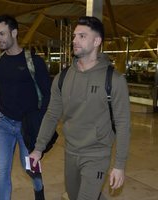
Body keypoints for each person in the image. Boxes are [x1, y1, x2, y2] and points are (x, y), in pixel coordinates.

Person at [30, 16, 131, 200]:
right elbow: (52, 115)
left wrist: (119, 165)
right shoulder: (63, 78)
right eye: (75, 36)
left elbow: (123, 124)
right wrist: (39, 148)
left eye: (82, 36)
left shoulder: (114, 80)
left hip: (97, 154)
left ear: (97, 41)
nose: (75, 40)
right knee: (75, 195)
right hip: (70, 152)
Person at [0, 14, 51, 200]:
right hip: (4, 123)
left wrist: (40, 122)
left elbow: (48, 95)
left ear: (14, 33)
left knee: (29, 168)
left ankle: (39, 189)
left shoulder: (34, 61)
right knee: (2, 171)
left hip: (27, 126)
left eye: (2, 34)